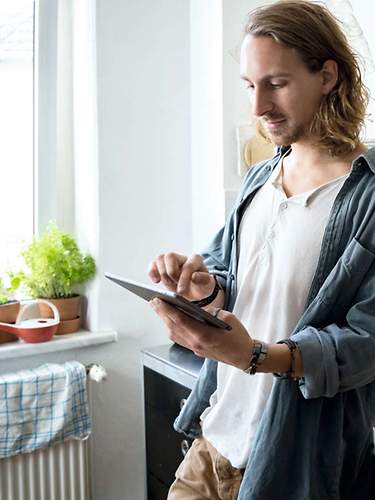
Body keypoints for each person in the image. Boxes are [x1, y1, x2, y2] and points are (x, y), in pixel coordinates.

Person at [148, 1, 375, 498]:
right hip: (214, 438)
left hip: (295, 461)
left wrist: (253, 355)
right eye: (251, 86)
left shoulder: (368, 197)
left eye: (276, 84)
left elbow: (365, 344)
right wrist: (203, 288)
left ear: (328, 75)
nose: (258, 108)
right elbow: (228, 276)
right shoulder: (260, 178)